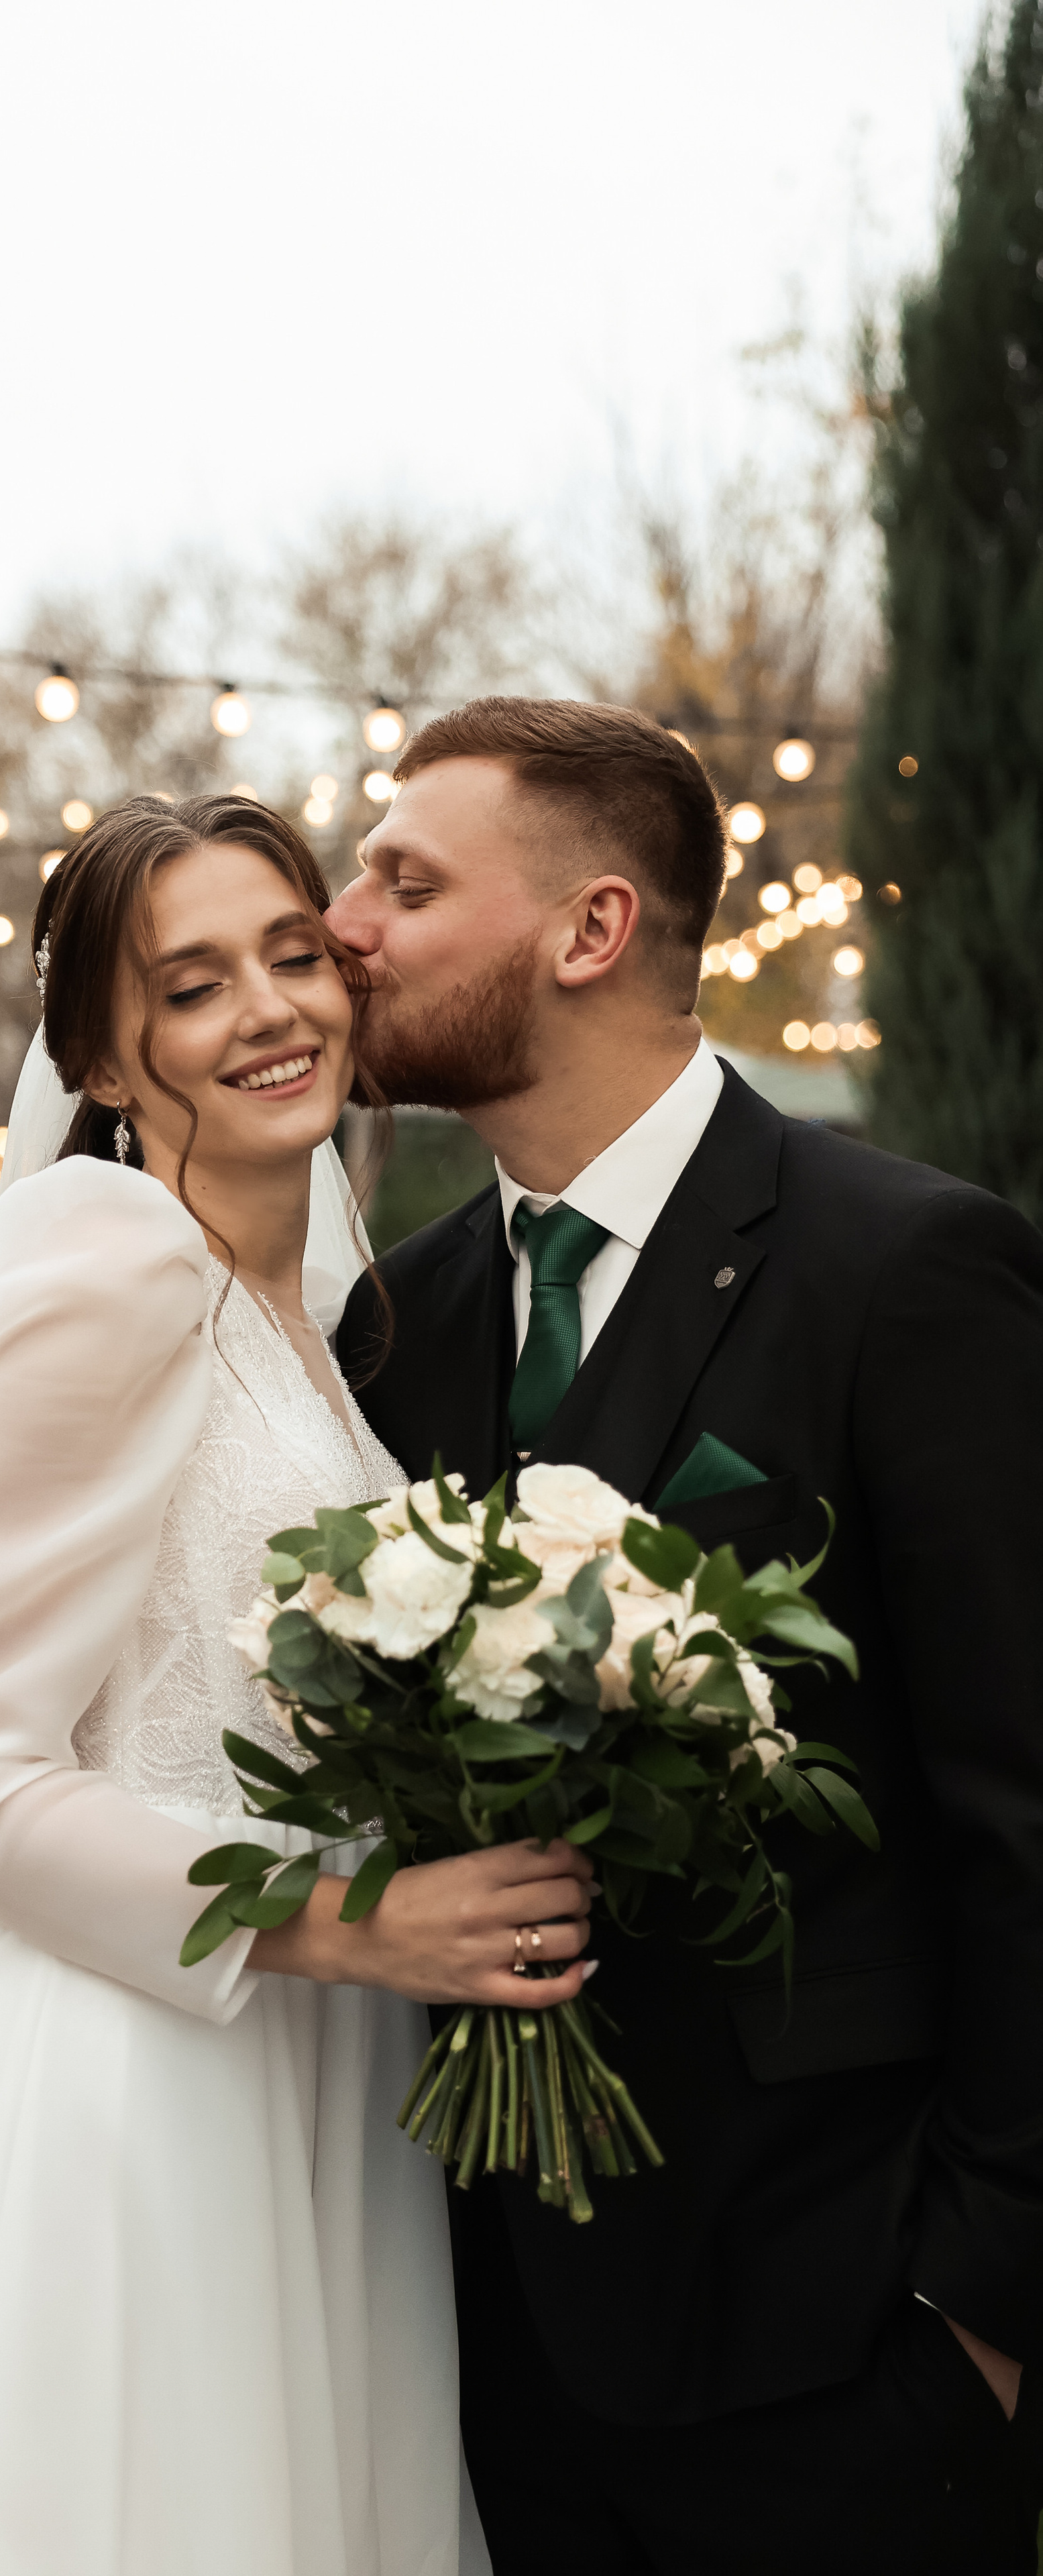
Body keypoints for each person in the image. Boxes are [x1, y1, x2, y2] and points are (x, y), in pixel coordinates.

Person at [0, 792, 594, 2576]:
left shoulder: (328, 1322)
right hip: (140, 2080)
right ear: (107, 1055)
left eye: (291, 957)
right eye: (192, 988)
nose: (268, 1012)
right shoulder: (111, 1272)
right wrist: (352, 1919)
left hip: (326, 2078)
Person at [328, 697, 1043, 2575]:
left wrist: (986, 2319)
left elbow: (1025, 1813)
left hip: (844, 2340)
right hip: (490, 2340)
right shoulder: (399, 1329)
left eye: (406, 879)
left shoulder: (907, 1269)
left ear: (592, 930)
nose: (346, 925)